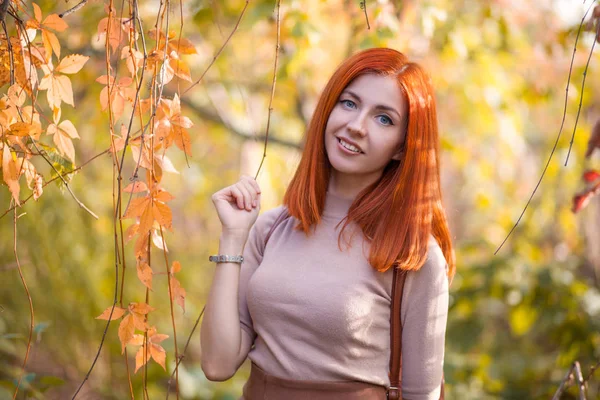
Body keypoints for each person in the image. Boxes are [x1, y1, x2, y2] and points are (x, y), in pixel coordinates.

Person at [200, 47, 455, 400]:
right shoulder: (272, 228)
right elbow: (217, 364)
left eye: (384, 119)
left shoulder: (414, 254)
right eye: (349, 103)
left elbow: (421, 395)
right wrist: (232, 238)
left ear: (402, 147)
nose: (356, 126)